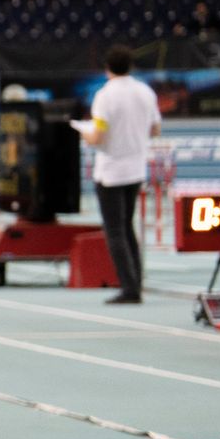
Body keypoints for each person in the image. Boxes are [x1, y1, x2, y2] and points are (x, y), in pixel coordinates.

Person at [75, 45, 161, 304]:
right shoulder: (145, 91)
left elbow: (98, 135)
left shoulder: (105, 95)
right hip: (136, 168)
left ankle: (129, 287)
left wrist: (83, 132)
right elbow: (155, 129)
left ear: (107, 68)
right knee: (127, 226)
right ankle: (136, 281)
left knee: (115, 231)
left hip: (112, 170)